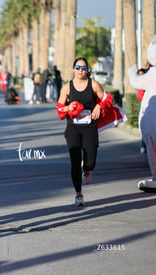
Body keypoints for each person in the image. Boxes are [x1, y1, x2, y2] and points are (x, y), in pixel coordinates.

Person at [56, 57, 113, 206]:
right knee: (74, 162)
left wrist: (99, 106)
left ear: (87, 70)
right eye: (78, 67)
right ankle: (78, 194)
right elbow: (60, 109)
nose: (81, 70)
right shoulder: (67, 88)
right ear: (73, 69)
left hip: (89, 127)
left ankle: (87, 169)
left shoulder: (93, 85)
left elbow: (108, 100)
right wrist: (68, 108)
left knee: (91, 161)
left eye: (83, 68)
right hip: (73, 128)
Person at [128, 35, 156, 191]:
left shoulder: (151, 74)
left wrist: (131, 72)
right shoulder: (150, 74)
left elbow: (135, 81)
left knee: (152, 152)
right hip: (149, 127)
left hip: (149, 127)